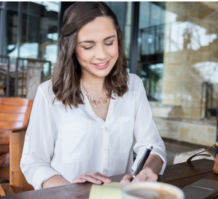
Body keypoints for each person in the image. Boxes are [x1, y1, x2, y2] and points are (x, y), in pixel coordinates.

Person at [20, 2, 167, 190]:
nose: (102, 55)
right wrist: (73, 193)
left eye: (109, 42)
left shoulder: (134, 86)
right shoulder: (49, 94)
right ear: (71, 47)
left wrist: (146, 170)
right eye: (88, 46)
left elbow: (153, 146)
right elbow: (33, 164)